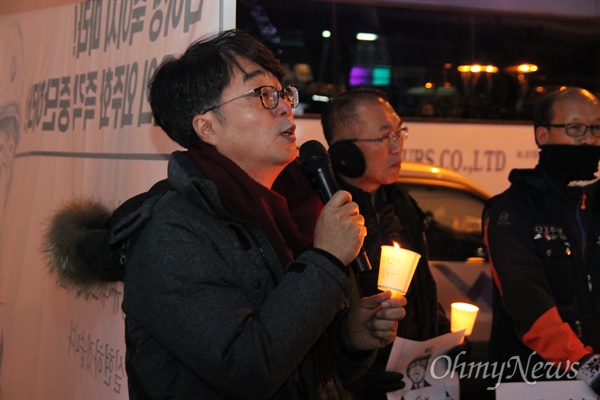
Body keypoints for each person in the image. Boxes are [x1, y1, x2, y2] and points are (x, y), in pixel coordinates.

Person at [42, 30, 408, 399]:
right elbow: (245, 367)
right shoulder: (170, 233)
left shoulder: (285, 212)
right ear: (207, 127)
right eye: (261, 95)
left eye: (282, 92)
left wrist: (348, 338)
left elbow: (298, 363)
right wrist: (325, 260)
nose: (284, 106)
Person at [321, 88, 453, 399]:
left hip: (414, 380)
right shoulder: (322, 216)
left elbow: (422, 287)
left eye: (400, 133)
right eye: (385, 138)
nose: (398, 147)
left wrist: (443, 336)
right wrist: (350, 369)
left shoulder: (402, 204)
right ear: (346, 154)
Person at [483, 87, 600, 394]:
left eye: (596, 128)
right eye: (575, 128)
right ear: (543, 135)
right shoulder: (511, 209)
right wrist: (584, 364)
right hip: (535, 383)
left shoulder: (592, 203)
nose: (589, 139)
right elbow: (526, 301)